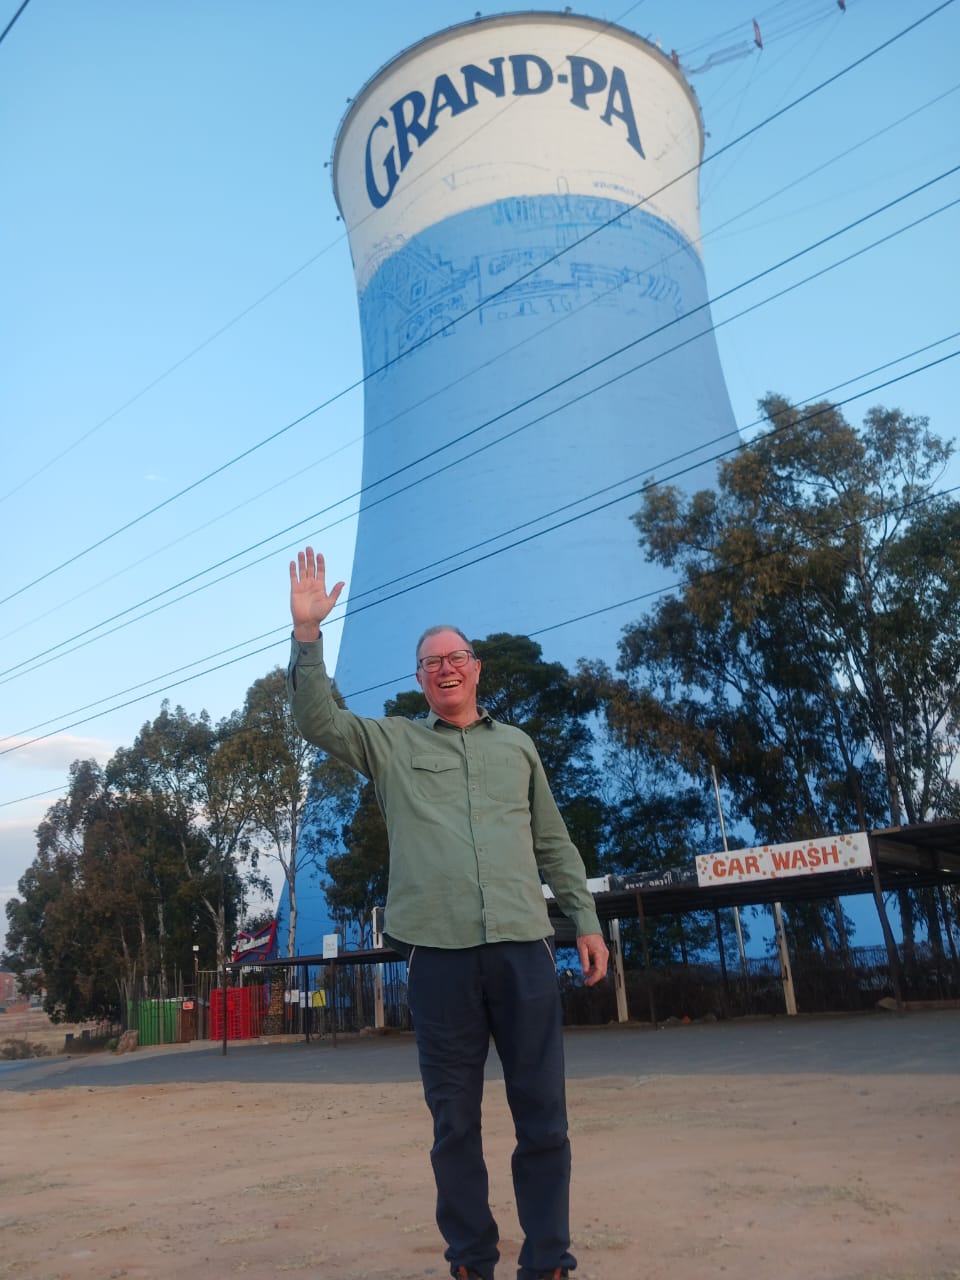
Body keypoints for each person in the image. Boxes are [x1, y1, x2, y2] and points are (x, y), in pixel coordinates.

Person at [287, 547, 609, 1280]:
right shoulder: (393, 742)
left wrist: (585, 921)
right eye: (431, 662)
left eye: (456, 657)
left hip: (524, 948)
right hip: (438, 957)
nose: (446, 669)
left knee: (543, 1115)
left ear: (476, 668)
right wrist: (308, 634)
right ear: (420, 679)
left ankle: (549, 1259)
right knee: (454, 1121)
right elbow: (317, 719)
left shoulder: (518, 748)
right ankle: (470, 1259)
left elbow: (554, 842)